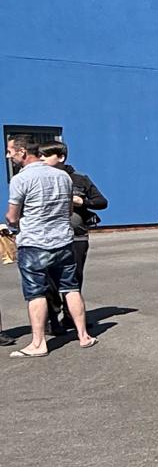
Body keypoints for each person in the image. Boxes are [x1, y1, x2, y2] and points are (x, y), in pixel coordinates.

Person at [4, 135, 96, 355]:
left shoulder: (20, 179)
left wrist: (11, 224)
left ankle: (38, 343)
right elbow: (69, 211)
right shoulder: (63, 177)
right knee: (70, 288)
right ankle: (83, 335)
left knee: (36, 292)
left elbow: (13, 216)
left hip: (34, 242)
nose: (8, 155)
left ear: (23, 152)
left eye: (10, 151)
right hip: (63, 240)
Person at [39, 140, 106, 336]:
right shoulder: (41, 179)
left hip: (76, 237)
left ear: (61, 157)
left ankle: (71, 317)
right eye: (40, 155)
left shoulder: (80, 180)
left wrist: (81, 201)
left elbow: (101, 202)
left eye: (46, 155)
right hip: (50, 237)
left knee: (74, 278)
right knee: (49, 279)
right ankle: (53, 319)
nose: (42, 158)